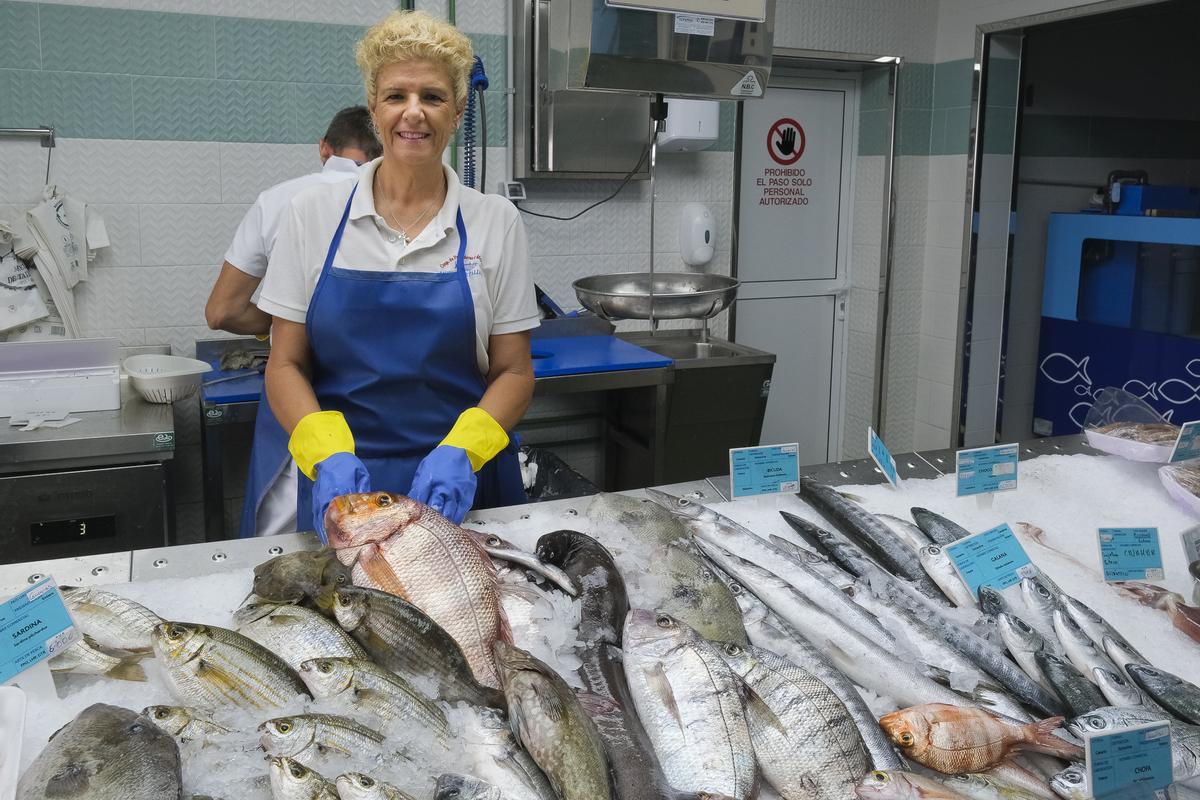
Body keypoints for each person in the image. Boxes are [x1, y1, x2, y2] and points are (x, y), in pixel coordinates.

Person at [257, 10, 538, 540]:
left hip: (464, 484)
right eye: (396, 96)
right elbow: (285, 364)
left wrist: (463, 451)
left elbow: (515, 372)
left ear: (456, 112)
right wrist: (325, 453)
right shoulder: (312, 213)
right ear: (373, 109)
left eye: (432, 97)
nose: (414, 113)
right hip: (347, 493)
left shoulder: (495, 221)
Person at [216, 108, 381, 538]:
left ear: (324, 149)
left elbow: (223, 310)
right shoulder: (404, 201)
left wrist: (277, 325)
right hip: (386, 402)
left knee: (291, 545)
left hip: (297, 390)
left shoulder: (280, 199)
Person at [205, 106, 381, 336]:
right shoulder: (398, 203)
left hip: (293, 364)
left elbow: (222, 311)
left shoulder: (275, 201)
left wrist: (289, 319)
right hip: (376, 362)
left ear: (323, 148)